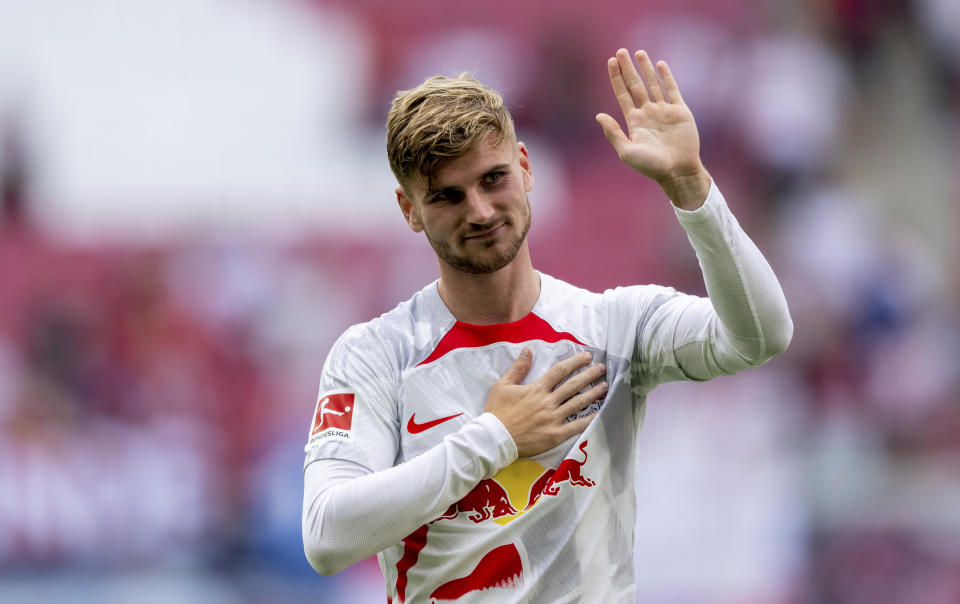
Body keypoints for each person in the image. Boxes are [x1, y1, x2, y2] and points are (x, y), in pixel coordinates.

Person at [302, 49, 792, 603]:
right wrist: (497, 437)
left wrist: (691, 186)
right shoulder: (377, 354)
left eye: (494, 179)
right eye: (448, 196)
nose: (481, 211)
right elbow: (326, 536)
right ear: (409, 209)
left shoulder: (615, 326)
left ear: (527, 167)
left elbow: (761, 336)